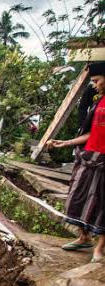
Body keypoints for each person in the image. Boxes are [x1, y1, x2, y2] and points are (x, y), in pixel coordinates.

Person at [49, 62, 105, 262]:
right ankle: (84, 237)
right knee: (77, 196)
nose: (95, 85)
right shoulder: (98, 102)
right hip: (89, 156)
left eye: (97, 80)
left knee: (101, 203)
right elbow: (91, 133)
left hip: (103, 162)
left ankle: (99, 248)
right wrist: (66, 142)